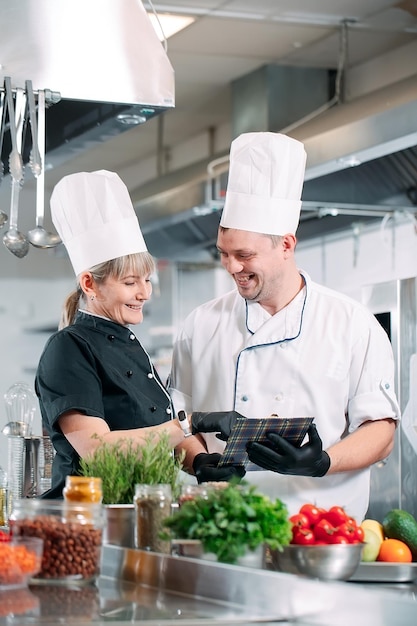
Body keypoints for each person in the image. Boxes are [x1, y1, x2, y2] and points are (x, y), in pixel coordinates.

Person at [170, 132, 400, 521]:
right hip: (220, 528)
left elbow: (381, 431)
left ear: (287, 245)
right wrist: (198, 461)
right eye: (224, 254)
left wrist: (322, 461)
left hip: (316, 530)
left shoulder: (350, 323)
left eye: (244, 255)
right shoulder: (201, 324)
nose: (231, 267)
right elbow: (175, 421)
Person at [35, 170, 199, 498]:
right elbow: (99, 450)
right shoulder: (68, 348)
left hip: (143, 512)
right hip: (88, 521)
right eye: (130, 282)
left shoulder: (130, 345)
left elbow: (156, 438)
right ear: (90, 284)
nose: (144, 293)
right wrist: (188, 424)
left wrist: (208, 462)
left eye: (147, 279)